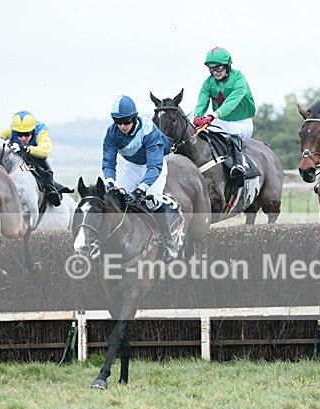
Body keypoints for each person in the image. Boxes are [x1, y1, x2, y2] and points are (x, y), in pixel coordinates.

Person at [102, 95, 179, 262]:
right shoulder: (111, 132)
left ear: (134, 118)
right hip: (132, 167)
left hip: (154, 167)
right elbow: (108, 162)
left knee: (152, 201)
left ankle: (168, 243)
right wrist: (110, 182)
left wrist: (140, 190)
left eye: (126, 121)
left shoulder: (148, 130)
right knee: (112, 200)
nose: (122, 126)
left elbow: (154, 167)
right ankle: (102, 242)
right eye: (118, 122)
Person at [192, 46, 257, 183]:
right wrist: (198, 116)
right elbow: (202, 101)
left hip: (241, 123)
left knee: (232, 132)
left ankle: (238, 166)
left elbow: (231, 102)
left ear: (227, 66)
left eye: (219, 68)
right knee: (200, 134)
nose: (215, 72)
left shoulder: (239, 78)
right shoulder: (208, 82)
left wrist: (213, 116)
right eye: (211, 69)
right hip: (221, 121)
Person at [0, 110, 62, 206]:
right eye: (19, 134)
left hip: (38, 157)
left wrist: (26, 148)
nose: (23, 138)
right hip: (19, 156)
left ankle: (50, 188)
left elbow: (45, 151)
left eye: (27, 134)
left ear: (33, 130)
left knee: (45, 164)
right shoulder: (11, 130)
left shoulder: (41, 131)